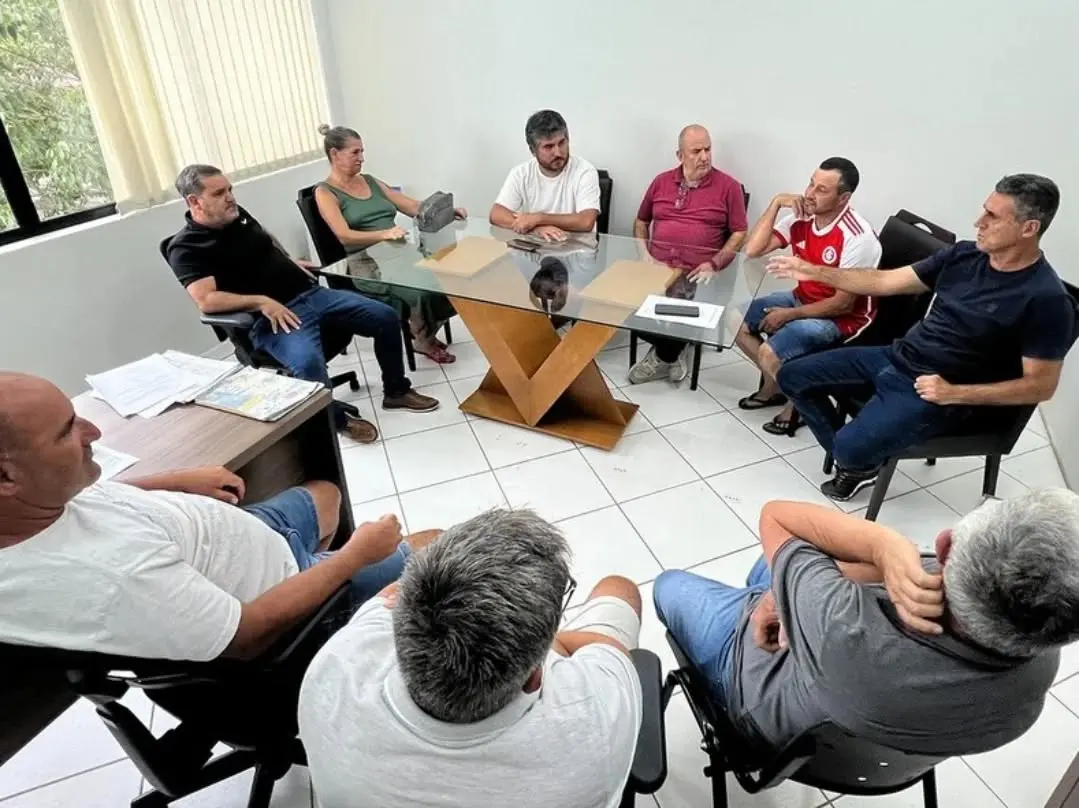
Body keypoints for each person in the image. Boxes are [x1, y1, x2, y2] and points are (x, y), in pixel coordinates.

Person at [0, 372, 439, 661]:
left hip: (242, 539)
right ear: (6, 477)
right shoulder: (115, 578)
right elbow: (247, 635)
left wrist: (174, 479)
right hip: (270, 604)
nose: (93, 431)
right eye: (67, 431)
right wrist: (354, 558)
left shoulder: (32, 506)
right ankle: (330, 617)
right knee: (437, 545)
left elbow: (89, 501)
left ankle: (331, 582)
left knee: (325, 493)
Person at [653, 490, 1079, 769]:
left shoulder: (847, 632)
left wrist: (885, 544)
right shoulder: (1041, 651)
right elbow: (858, 575)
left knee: (668, 585)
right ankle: (779, 590)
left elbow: (776, 517)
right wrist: (782, 596)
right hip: (858, 733)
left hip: (756, 705)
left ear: (946, 545)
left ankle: (762, 604)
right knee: (772, 570)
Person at [298, 509, 643, 808]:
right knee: (619, 587)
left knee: (431, 537)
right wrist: (551, 644)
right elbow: (607, 644)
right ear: (536, 677)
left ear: (400, 633)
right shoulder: (594, 721)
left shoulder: (334, 668)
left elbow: (390, 596)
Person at [772, 173, 1075, 500]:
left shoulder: (1047, 300)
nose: (979, 222)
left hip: (939, 390)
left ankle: (854, 457)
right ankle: (858, 455)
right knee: (790, 375)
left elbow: (1041, 386)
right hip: (896, 356)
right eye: (984, 210)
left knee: (848, 448)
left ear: (1029, 228)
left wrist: (954, 393)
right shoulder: (963, 255)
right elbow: (885, 283)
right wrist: (815, 271)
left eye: (993, 216)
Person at [166, 164, 440, 446]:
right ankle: (335, 420)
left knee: (385, 316)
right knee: (308, 363)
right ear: (194, 201)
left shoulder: (238, 216)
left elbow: (266, 240)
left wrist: (288, 261)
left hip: (309, 294)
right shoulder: (186, 248)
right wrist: (261, 301)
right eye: (220, 192)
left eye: (230, 189)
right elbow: (206, 300)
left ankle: (396, 391)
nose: (231, 197)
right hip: (275, 318)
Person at [736, 158, 882, 435]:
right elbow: (753, 250)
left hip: (843, 319)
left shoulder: (857, 237)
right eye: (811, 184)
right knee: (735, 321)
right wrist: (777, 202)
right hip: (803, 298)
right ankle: (777, 387)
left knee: (770, 350)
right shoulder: (804, 217)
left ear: (844, 198)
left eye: (822, 190)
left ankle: (798, 404)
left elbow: (843, 303)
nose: (810, 194)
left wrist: (789, 315)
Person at [314, 124, 465, 365]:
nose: (362, 158)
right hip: (367, 262)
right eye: (355, 153)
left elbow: (411, 206)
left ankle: (424, 328)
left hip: (399, 250)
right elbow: (344, 235)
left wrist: (444, 210)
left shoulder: (371, 182)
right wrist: (384, 234)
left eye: (362, 151)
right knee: (420, 290)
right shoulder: (325, 193)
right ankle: (423, 338)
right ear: (334, 154)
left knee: (449, 277)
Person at [628, 124, 749, 385]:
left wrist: (714, 264)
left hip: (698, 273)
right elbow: (640, 222)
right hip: (658, 268)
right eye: (696, 151)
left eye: (708, 149)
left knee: (682, 305)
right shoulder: (661, 182)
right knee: (620, 307)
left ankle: (662, 356)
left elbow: (740, 232)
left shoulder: (729, 187)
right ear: (680, 155)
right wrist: (645, 256)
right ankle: (675, 350)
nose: (704, 156)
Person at [490, 109, 601, 242]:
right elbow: (496, 214)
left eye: (562, 143)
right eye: (548, 147)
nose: (558, 152)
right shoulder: (521, 173)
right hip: (536, 251)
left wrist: (538, 218)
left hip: (577, 252)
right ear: (533, 150)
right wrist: (535, 228)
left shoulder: (585, 171)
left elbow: (585, 221)